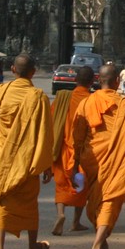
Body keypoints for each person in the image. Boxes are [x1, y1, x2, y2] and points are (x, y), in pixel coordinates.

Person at [0, 53, 54, 249]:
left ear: (13, 69)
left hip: (3, 161)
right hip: (27, 161)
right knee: (29, 205)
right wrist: (46, 164)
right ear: (33, 71)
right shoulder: (38, 97)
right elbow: (44, 134)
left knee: (1, 203)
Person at [71, 64, 125, 249]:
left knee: (97, 201)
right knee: (110, 199)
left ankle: (101, 243)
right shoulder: (123, 105)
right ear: (117, 82)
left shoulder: (86, 103)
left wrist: (74, 164)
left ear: (98, 80)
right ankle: (96, 246)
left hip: (91, 158)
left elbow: (77, 137)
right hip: (116, 160)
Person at [49, 66, 94, 236]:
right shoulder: (92, 101)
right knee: (82, 186)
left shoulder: (64, 99)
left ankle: (61, 214)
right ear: (91, 82)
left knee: (61, 185)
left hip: (64, 149)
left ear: (75, 80)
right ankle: (76, 222)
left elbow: (52, 121)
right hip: (83, 151)